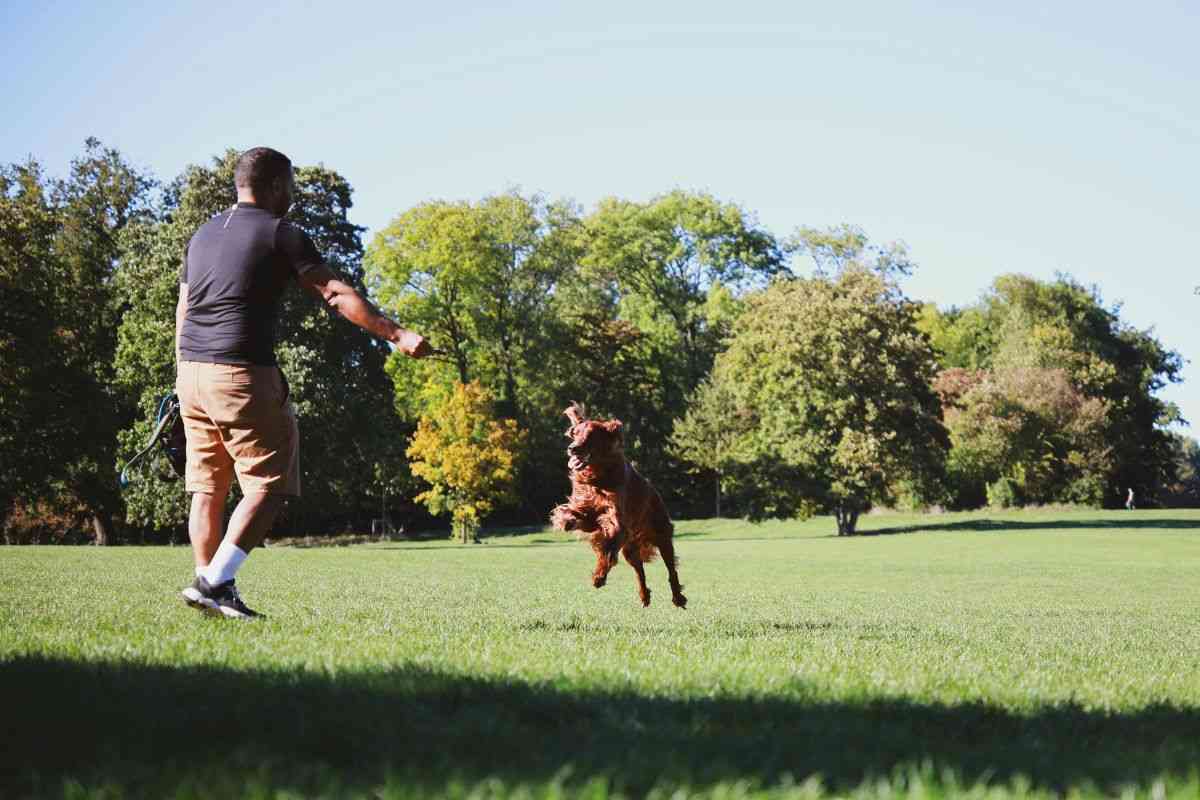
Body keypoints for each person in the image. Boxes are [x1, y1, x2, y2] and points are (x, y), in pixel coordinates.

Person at [176, 146, 430, 618]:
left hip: (191, 372)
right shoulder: (282, 233)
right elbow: (334, 293)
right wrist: (396, 334)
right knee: (268, 485)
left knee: (207, 489)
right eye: (290, 185)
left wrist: (181, 373)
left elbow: (185, 309)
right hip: (241, 371)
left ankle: (210, 588)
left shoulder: (203, 234)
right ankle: (214, 582)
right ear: (274, 185)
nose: (292, 195)